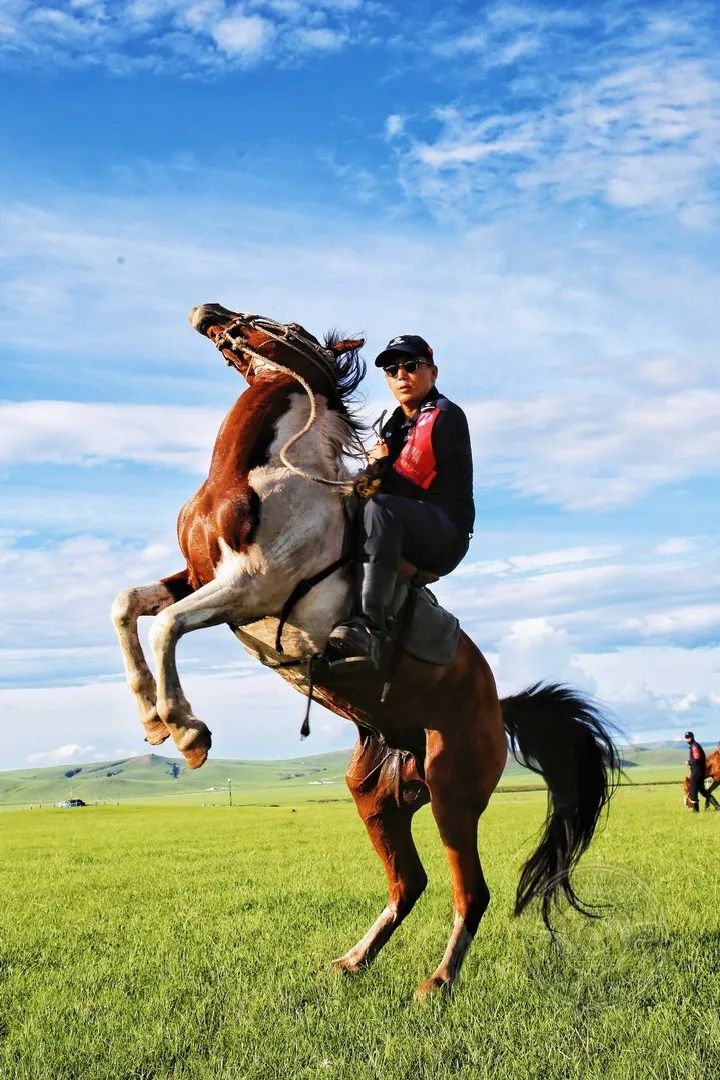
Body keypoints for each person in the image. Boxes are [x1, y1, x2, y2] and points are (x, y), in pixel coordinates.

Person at [328, 334, 474, 668]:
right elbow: (374, 484)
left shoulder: (442, 414)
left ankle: (367, 624)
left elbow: (402, 484)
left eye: (411, 366)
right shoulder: (395, 421)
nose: (401, 375)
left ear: (433, 373)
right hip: (408, 522)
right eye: (392, 370)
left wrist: (375, 466)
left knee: (379, 507)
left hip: (446, 532)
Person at [684, 731, 717, 812]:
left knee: (693, 791)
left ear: (692, 737)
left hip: (697, 772)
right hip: (700, 771)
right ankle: (717, 806)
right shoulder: (694, 746)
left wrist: (689, 762)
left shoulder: (694, 746)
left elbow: (697, 759)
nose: (687, 739)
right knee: (702, 791)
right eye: (686, 738)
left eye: (688, 738)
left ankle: (696, 811)